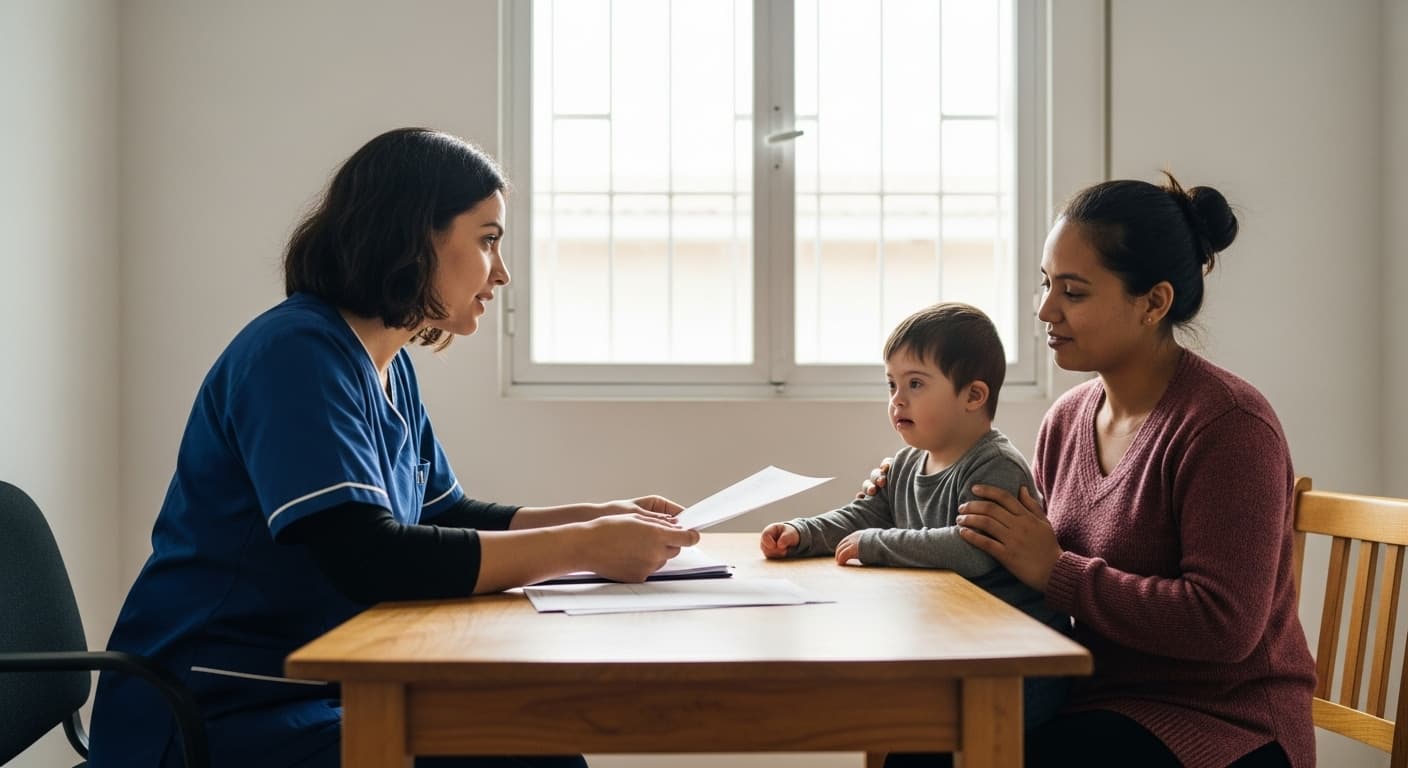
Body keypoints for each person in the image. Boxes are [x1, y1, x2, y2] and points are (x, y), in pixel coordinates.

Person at [87, 127, 700, 768]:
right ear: (413, 237)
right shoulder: (296, 355)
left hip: (312, 690)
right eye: (487, 240)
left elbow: (441, 514)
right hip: (210, 713)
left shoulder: (384, 361)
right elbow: (369, 556)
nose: (503, 272)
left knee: (532, 739)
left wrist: (591, 518)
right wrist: (580, 548)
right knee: (533, 757)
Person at [862, 174, 1316, 768]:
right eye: (1047, 284)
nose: (1046, 309)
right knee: (918, 743)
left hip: (1222, 725)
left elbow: (1224, 626)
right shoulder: (1067, 419)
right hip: (1091, 700)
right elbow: (1019, 560)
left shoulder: (1229, 426)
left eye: (1073, 292)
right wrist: (905, 497)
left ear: (1154, 302)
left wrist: (1058, 571)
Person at [759, 302, 1071, 732]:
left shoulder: (995, 466)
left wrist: (876, 544)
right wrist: (803, 532)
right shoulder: (908, 462)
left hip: (1016, 661)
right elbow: (865, 513)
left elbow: (971, 548)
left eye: (916, 384)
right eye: (892, 384)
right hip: (951, 643)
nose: (897, 400)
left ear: (973, 396)